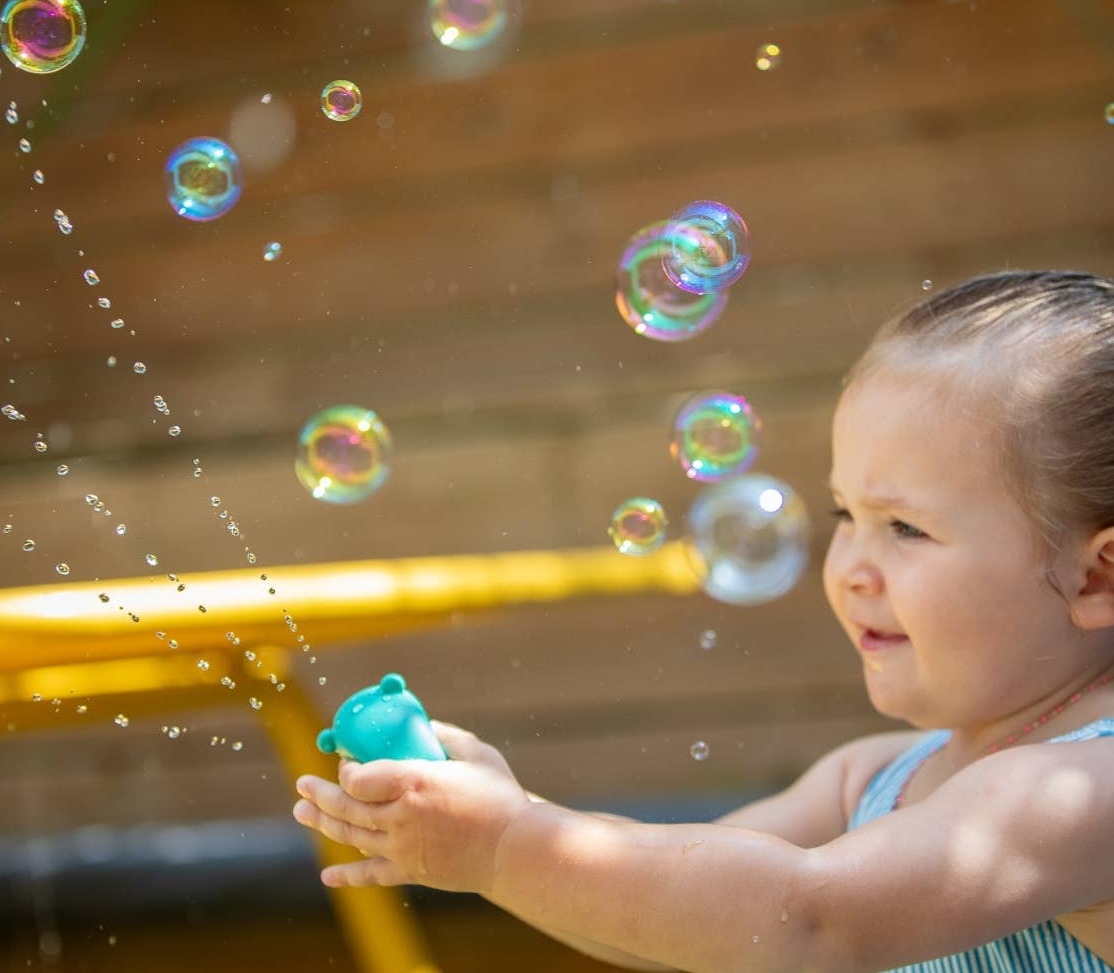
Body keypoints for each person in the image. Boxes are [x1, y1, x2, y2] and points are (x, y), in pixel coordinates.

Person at [293, 269, 1114, 972]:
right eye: (844, 515)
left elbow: (804, 920)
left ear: (1097, 573)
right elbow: (681, 917)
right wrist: (495, 812)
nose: (851, 566)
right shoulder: (871, 776)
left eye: (904, 527)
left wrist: (507, 843)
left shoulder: (1080, 789)